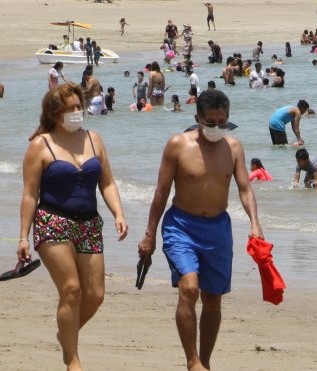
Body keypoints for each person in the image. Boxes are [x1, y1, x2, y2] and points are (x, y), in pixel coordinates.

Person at [137, 89, 262, 371]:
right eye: (211, 122)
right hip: (181, 225)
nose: (217, 128)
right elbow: (161, 192)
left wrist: (255, 223)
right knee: (189, 288)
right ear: (198, 118)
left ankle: (204, 361)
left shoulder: (234, 147)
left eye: (223, 122)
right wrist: (149, 235)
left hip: (218, 228)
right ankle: (192, 361)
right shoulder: (178, 145)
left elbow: (245, 188)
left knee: (213, 298)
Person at [18, 83, 129, 371]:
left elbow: (107, 182)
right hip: (52, 221)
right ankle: (73, 361)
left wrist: (118, 212)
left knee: (95, 295)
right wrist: (23, 237)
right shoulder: (40, 146)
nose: (77, 112)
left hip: (90, 223)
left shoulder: (94, 139)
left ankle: (65, 335)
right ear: (55, 114)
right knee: (71, 290)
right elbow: (30, 194)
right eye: (70, 109)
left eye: (78, 106)